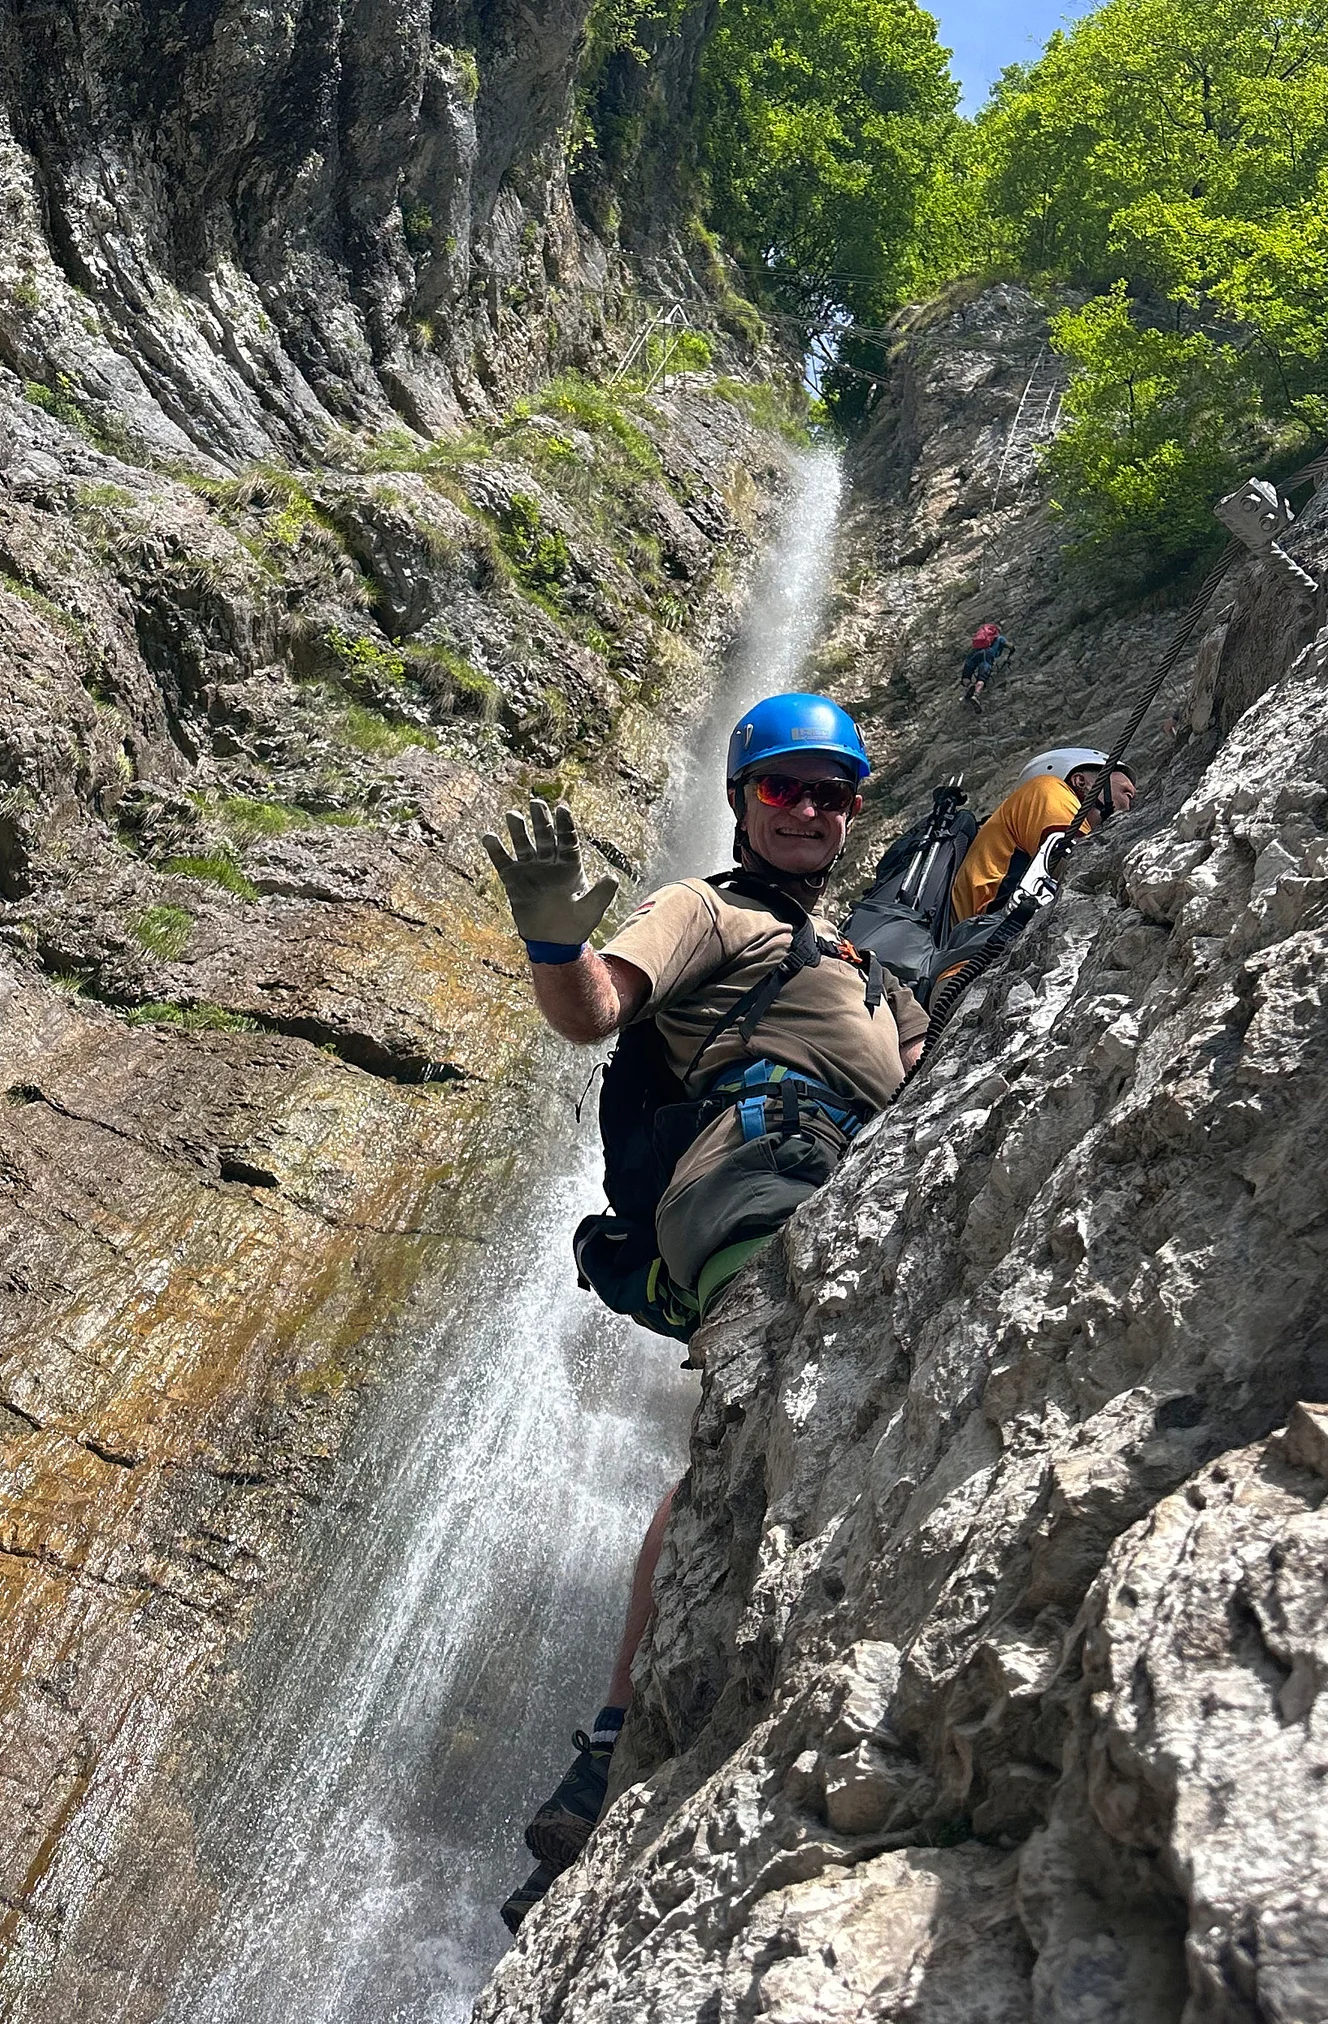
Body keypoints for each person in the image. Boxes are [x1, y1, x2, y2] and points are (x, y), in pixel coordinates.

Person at [480, 693, 927, 1929]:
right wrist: (555, 945)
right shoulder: (708, 906)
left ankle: (618, 1741)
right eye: (787, 786)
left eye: (834, 793)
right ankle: (620, 1729)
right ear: (744, 798)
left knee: (772, 1412)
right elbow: (597, 1013)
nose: (812, 809)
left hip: (856, 1181)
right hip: (752, 1179)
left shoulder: (869, 971)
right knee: (766, 1400)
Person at [948, 747, 1137, 924]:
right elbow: (1079, 867)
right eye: (1126, 793)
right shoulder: (1047, 788)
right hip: (992, 935)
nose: (1130, 806)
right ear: (1081, 782)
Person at [960, 622, 1011, 708]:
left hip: (974, 653)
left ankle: (970, 686)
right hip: (986, 654)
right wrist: (1012, 649)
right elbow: (1009, 645)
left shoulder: (981, 638)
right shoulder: (999, 638)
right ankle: (975, 695)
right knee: (982, 677)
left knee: (966, 677)